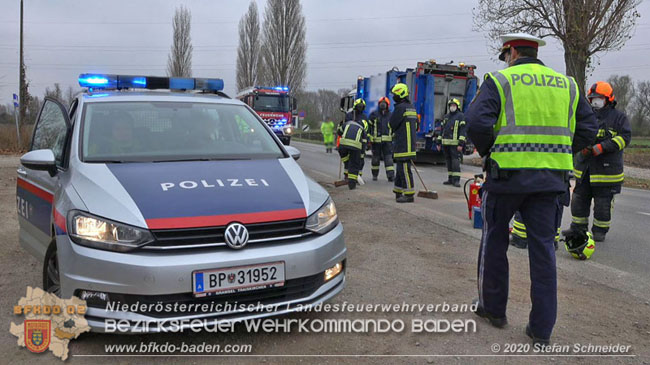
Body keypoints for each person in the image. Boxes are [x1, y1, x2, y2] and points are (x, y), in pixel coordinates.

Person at [465, 33, 598, 345]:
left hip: (505, 178)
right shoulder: (568, 85)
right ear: (534, 53)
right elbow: (589, 130)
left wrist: (489, 152)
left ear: (511, 52)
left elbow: (476, 123)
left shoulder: (499, 81)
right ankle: (541, 330)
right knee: (543, 252)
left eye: (505, 55)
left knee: (494, 242)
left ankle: (493, 310)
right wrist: (560, 153)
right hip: (551, 181)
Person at [565, 82, 631, 242]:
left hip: (606, 172)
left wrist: (602, 147)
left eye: (599, 98)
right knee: (578, 201)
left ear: (608, 99)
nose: (595, 101)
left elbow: (624, 138)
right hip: (585, 170)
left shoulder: (619, 118)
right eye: (592, 98)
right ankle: (577, 230)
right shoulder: (586, 115)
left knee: (603, 205)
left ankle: (600, 232)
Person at [389, 83, 418, 203]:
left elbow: (392, 124)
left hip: (403, 144)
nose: (393, 97)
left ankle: (409, 195)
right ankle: (399, 191)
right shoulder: (411, 107)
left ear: (400, 94)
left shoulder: (400, 108)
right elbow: (416, 125)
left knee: (405, 169)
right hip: (409, 143)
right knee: (401, 169)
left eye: (395, 94)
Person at [338, 99, 368, 189]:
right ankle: (352, 182)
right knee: (354, 163)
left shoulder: (358, 117)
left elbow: (340, 132)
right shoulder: (350, 116)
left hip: (343, 145)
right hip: (357, 145)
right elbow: (365, 135)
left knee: (353, 162)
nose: (360, 108)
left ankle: (352, 176)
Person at [437, 98, 467, 187]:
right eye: (451, 105)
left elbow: (463, 131)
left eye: (454, 105)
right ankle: (450, 178)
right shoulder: (446, 117)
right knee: (448, 161)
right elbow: (442, 130)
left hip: (455, 144)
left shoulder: (461, 116)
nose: (452, 107)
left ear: (457, 107)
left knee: (455, 162)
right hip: (446, 143)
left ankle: (456, 180)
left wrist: (460, 143)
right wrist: (438, 142)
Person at [368, 97, 395, 181]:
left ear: (387, 105)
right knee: (375, 160)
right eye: (381, 103)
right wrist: (370, 138)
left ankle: (390, 176)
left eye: (384, 103)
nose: (383, 104)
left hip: (387, 142)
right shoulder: (374, 114)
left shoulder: (391, 115)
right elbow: (369, 127)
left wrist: (393, 137)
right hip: (376, 142)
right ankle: (375, 175)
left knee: (389, 160)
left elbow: (394, 127)